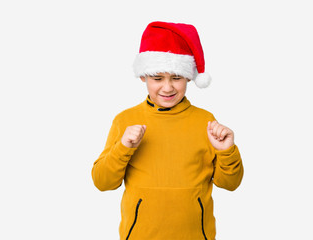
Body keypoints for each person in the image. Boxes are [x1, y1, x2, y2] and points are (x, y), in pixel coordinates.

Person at [91, 21, 244, 240]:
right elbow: (103, 182)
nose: (167, 87)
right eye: (157, 78)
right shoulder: (125, 120)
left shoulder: (205, 121)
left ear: (188, 77)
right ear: (143, 76)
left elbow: (230, 184)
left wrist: (227, 151)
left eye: (176, 77)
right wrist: (123, 147)